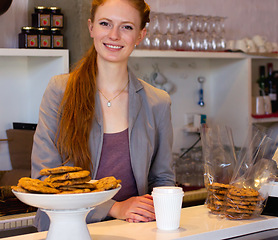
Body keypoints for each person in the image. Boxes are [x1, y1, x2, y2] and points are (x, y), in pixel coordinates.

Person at [31, 0, 175, 231]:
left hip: (133, 231)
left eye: (127, 27)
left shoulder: (158, 101)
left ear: (140, 35)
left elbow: (163, 181)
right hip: (64, 230)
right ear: (91, 28)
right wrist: (114, 207)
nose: (114, 35)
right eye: (105, 23)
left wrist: (156, 213)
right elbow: (44, 181)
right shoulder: (60, 90)